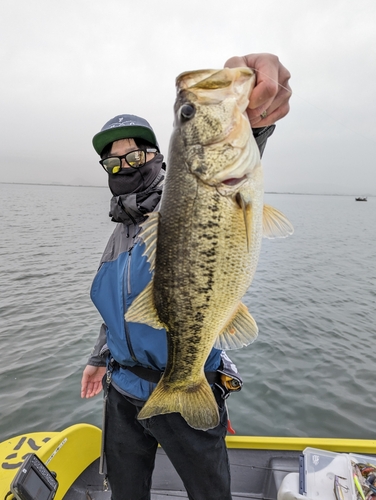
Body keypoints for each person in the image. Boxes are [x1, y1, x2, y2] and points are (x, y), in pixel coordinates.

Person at [81, 53, 292, 500]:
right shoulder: (117, 236)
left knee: (209, 492)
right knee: (125, 492)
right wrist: (100, 358)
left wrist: (255, 121)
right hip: (123, 391)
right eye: (113, 161)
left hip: (187, 381)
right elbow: (115, 310)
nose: (125, 165)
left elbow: (221, 166)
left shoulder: (176, 202)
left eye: (134, 153)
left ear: (159, 155)